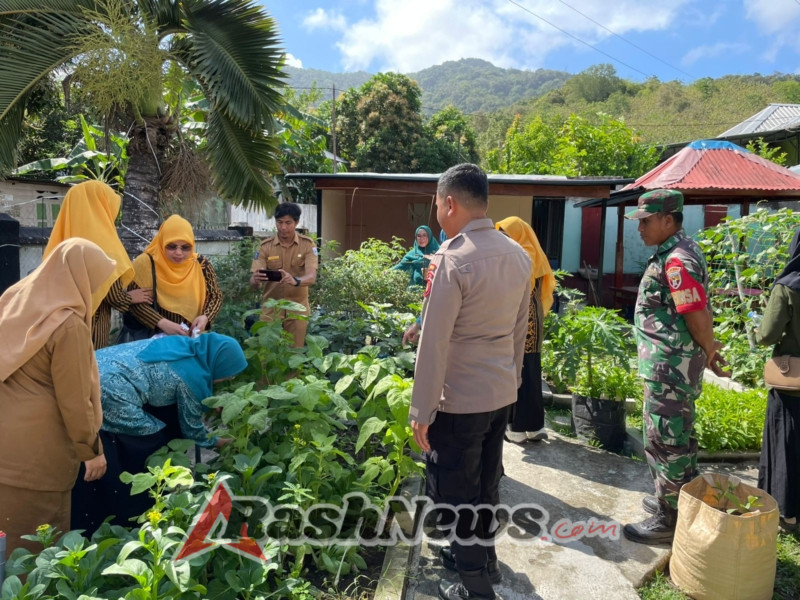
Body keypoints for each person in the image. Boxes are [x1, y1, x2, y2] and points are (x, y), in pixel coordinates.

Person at [407, 164, 531, 600]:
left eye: (437, 202)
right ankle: (485, 561)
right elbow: (521, 333)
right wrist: (512, 383)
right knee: (486, 484)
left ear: (450, 203)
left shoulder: (451, 259)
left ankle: (475, 587)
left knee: (458, 493)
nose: (436, 210)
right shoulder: (519, 256)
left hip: (458, 401)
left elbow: (434, 344)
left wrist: (420, 411)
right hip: (499, 394)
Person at [622, 189, 728, 545]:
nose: (640, 229)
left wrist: (711, 350)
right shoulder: (677, 252)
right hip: (669, 366)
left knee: (668, 441)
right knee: (674, 437)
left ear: (668, 220)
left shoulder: (677, 259)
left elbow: (695, 313)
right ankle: (674, 500)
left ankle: (670, 519)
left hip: (670, 368)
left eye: (646, 221)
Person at [0, 239, 115, 554]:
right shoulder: (67, 325)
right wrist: (91, 450)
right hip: (37, 456)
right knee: (32, 553)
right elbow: (74, 399)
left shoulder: (14, 300)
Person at [71, 333, 247, 534]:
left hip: (89, 368)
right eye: (229, 373)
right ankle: (136, 498)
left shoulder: (181, 345)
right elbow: (192, 428)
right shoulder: (191, 378)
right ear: (219, 363)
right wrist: (218, 442)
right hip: (109, 390)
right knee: (151, 438)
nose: (229, 378)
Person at [42, 180, 152, 349]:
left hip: (58, 322)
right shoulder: (104, 244)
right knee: (87, 368)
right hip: (91, 325)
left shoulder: (60, 241)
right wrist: (131, 297)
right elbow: (113, 295)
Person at [495, 216, 556, 444]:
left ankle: (517, 427)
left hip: (518, 324)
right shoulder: (534, 254)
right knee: (530, 371)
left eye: (506, 235)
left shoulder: (519, 256)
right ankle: (535, 426)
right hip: (532, 324)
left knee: (517, 373)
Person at [755, 227, 800, 532]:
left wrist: (755, 333)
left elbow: (768, 334)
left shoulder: (788, 287)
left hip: (792, 384)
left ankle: (787, 514)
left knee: (786, 447)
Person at [126, 215, 222, 337]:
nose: (178, 253)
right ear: (162, 242)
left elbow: (215, 296)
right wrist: (161, 322)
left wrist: (206, 317)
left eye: (185, 247)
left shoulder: (201, 264)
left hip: (191, 340)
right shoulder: (146, 264)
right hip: (154, 340)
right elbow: (135, 303)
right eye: (171, 246)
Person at [250, 202, 318, 347]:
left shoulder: (307, 245)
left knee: (294, 354)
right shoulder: (265, 247)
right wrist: (255, 280)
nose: (283, 227)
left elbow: (311, 277)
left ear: (296, 222)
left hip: (297, 309)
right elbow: (255, 282)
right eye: (279, 222)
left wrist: (296, 280)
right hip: (271, 309)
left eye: (288, 223)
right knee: (266, 355)